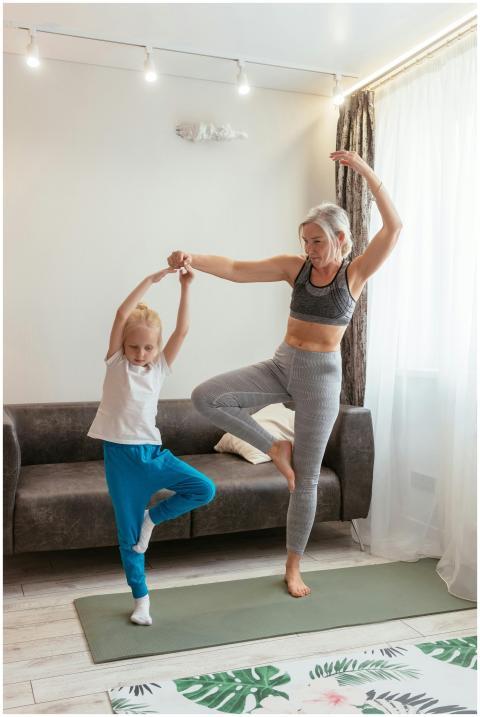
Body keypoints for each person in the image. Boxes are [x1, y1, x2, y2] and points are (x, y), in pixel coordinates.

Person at [167, 150, 402, 598]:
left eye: (316, 241)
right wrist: (192, 257)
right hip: (281, 364)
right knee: (206, 397)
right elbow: (236, 269)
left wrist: (367, 173)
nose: (308, 250)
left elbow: (395, 229)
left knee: (306, 479)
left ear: (340, 238)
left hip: (321, 380)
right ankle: (275, 445)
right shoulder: (293, 270)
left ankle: (293, 566)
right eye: (305, 241)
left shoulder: (353, 275)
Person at [87, 267, 216, 625]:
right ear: (122, 346)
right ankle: (141, 600)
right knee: (129, 539)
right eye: (134, 346)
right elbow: (121, 314)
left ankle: (152, 518)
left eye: (148, 347)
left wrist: (186, 285)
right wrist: (151, 279)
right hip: (120, 461)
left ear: (157, 349)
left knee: (204, 489)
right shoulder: (116, 364)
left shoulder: (159, 368)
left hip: (153, 456)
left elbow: (183, 330)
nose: (140, 353)